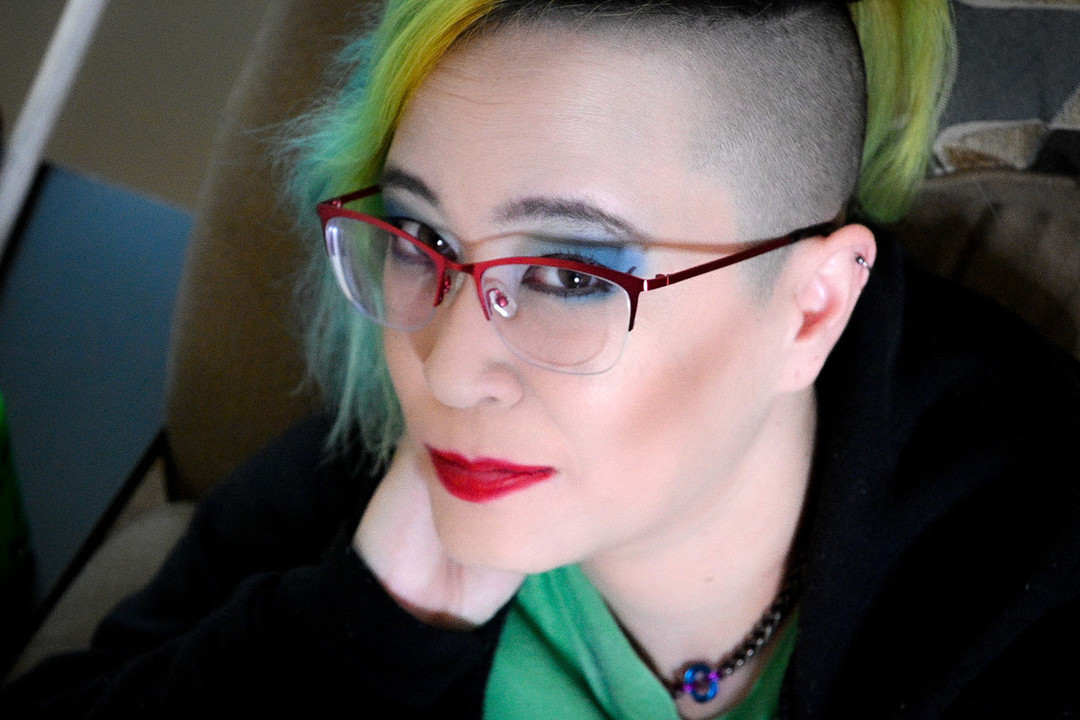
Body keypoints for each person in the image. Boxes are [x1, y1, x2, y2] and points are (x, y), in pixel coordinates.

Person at [3, 0, 1080, 718]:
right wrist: (366, 627)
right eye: (420, 238)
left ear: (811, 309)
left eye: (570, 275)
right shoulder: (368, 487)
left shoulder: (1029, 601)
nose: (444, 368)